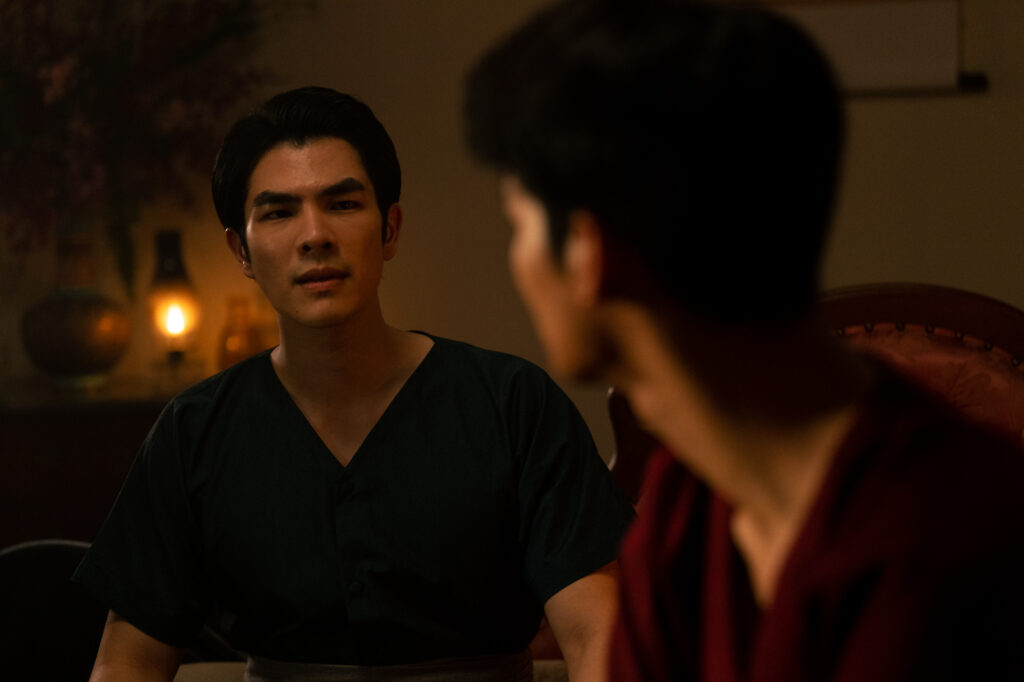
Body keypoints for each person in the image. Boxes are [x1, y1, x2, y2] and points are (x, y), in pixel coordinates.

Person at [463, 1, 1024, 680]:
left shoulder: (940, 540)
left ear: (590, 251)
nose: (516, 259)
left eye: (518, 223)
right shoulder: (691, 500)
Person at [74, 86, 635, 682]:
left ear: (390, 229)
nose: (315, 235)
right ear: (242, 251)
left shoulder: (513, 404)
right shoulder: (196, 432)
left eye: (342, 204)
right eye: (279, 212)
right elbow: (127, 661)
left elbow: (598, 637)